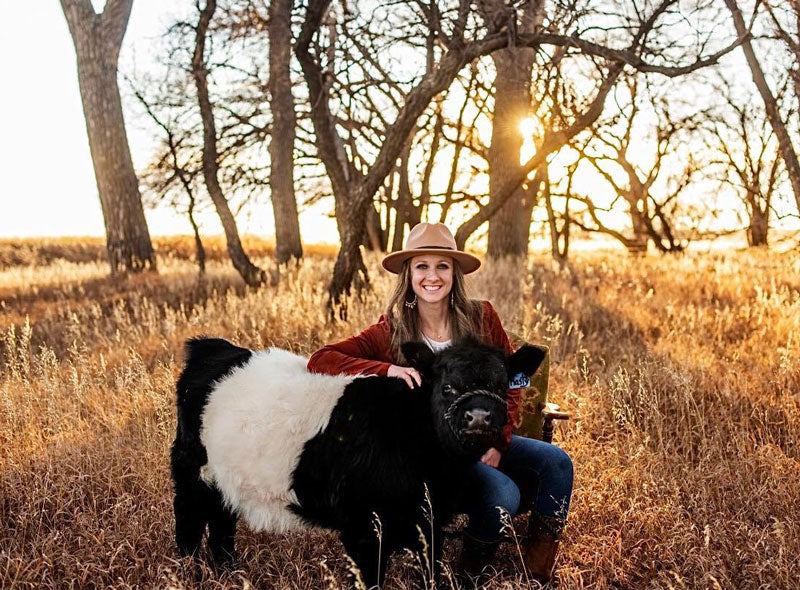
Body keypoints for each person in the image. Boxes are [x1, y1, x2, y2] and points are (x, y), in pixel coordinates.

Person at [307, 222, 573, 582]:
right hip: (434, 457)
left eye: (442, 266)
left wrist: (499, 440)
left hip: (487, 431)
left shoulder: (481, 317)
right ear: (409, 274)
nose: (432, 276)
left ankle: (536, 572)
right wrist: (385, 369)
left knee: (557, 463)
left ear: (454, 274)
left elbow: (513, 382)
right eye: (422, 266)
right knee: (503, 494)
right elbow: (321, 359)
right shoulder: (392, 330)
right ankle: (468, 573)